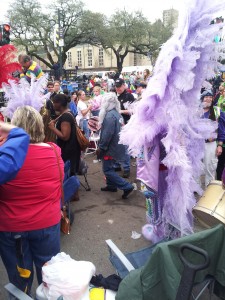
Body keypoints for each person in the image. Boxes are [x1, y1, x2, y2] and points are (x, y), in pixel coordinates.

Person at [0, 106, 63, 294]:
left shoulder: (5, 156)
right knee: (49, 277)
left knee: (19, 280)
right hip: (47, 224)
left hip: (11, 227)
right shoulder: (54, 150)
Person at [96, 92, 134, 199]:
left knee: (107, 170)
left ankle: (126, 186)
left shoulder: (109, 116)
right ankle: (111, 185)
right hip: (116, 146)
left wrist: (101, 147)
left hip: (110, 148)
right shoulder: (117, 114)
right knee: (110, 167)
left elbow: (107, 134)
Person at [49, 93, 81, 175]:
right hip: (72, 150)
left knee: (67, 176)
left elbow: (65, 137)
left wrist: (53, 128)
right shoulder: (67, 113)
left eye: (54, 103)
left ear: (59, 103)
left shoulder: (65, 117)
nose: (53, 105)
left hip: (68, 152)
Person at [114, 78, 135, 178]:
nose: (117, 88)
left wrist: (121, 111)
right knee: (117, 145)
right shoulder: (116, 95)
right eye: (116, 86)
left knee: (125, 147)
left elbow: (134, 111)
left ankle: (126, 168)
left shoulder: (128, 96)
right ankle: (117, 164)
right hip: (118, 124)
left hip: (127, 124)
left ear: (123, 85)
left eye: (119, 86)